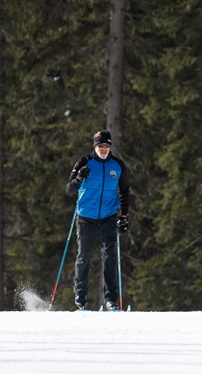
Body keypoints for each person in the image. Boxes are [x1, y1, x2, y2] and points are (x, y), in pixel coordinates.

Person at [65, 129, 131, 311]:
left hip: (108, 217)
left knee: (109, 257)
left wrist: (123, 217)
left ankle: (111, 300)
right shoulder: (85, 162)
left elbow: (124, 192)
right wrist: (79, 179)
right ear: (95, 146)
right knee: (83, 257)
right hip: (86, 217)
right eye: (100, 145)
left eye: (107, 146)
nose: (104, 149)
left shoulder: (117, 166)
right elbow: (69, 189)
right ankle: (81, 296)